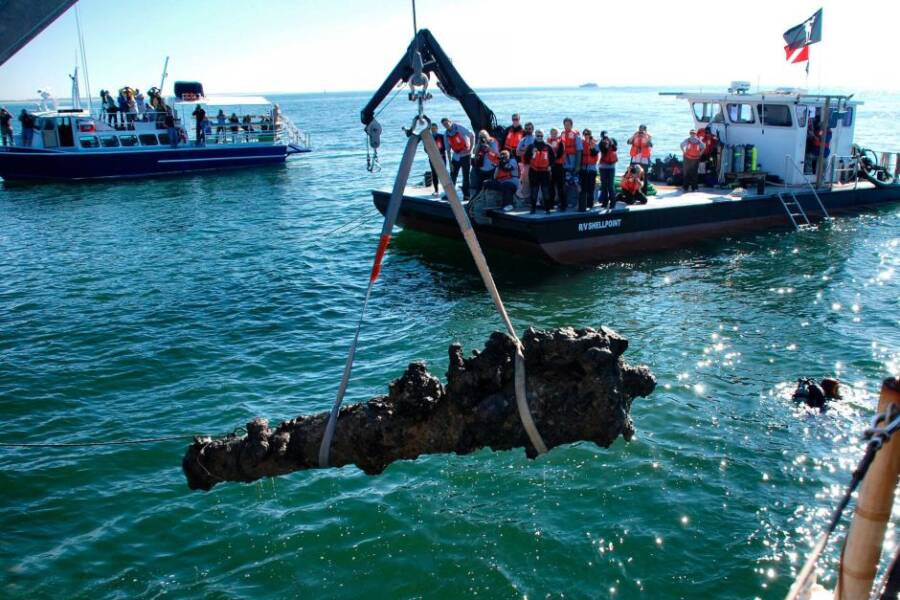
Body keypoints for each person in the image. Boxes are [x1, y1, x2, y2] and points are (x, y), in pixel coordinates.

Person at [441, 117, 475, 200]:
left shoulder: (459, 128)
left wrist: (471, 149)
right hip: (456, 157)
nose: (446, 125)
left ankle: (466, 195)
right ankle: (450, 195)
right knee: (453, 176)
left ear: (450, 122)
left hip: (466, 155)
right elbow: (448, 150)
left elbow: (472, 135)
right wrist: (450, 163)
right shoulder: (446, 134)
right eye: (444, 124)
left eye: (447, 123)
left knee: (465, 176)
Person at [524, 129, 556, 213]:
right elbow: (526, 158)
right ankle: (533, 209)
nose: (539, 137)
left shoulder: (548, 147)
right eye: (538, 135)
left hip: (545, 172)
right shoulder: (531, 146)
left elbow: (553, 159)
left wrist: (550, 166)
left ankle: (547, 209)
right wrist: (532, 153)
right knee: (534, 190)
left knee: (545, 190)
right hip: (534, 171)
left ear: (543, 136)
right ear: (535, 135)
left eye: (541, 136)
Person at [578, 129, 600, 211]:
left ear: (590, 134)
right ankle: (584, 204)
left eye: (588, 134)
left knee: (591, 188)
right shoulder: (581, 143)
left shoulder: (595, 144)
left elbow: (595, 153)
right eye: (585, 134)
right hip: (583, 168)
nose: (586, 135)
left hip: (592, 169)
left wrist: (591, 145)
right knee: (583, 187)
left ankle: (590, 204)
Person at [627, 124, 653, 193]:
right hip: (635, 158)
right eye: (640, 129)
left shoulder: (648, 136)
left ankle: (644, 192)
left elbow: (650, 144)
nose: (641, 131)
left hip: (644, 159)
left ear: (645, 130)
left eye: (642, 129)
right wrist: (634, 136)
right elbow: (628, 142)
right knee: (632, 174)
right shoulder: (635, 135)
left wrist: (646, 136)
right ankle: (632, 190)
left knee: (644, 176)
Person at [546, 128, 567, 211]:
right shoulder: (548, 142)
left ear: (558, 134)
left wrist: (552, 158)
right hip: (551, 167)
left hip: (559, 166)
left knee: (561, 186)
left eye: (555, 133)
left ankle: (563, 205)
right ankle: (551, 204)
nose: (553, 134)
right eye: (552, 133)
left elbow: (560, 153)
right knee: (550, 186)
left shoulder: (561, 142)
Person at [598, 131, 618, 209]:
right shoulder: (600, 143)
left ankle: (613, 203)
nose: (605, 138)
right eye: (604, 136)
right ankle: (604, 202)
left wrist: (611, 143)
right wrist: (605, 144)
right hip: (603, 167)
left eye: (606, 136)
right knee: (604, 185)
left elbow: (615, 149)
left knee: (610, 185)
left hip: (611, 167)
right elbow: (604, 151)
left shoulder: (612, 141)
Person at [428, 122, 447, 196]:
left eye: (434, 128)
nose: (433, 130)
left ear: (437, 129)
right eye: (431, 129)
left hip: (441, 157)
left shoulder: (442, 136)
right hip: (432, 158)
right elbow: (425, 149)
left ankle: (446, 190)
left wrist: (439, 153)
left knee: (443, 174)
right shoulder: (428, 138)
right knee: (434, 174)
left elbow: (445, 147)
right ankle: (436, 190)